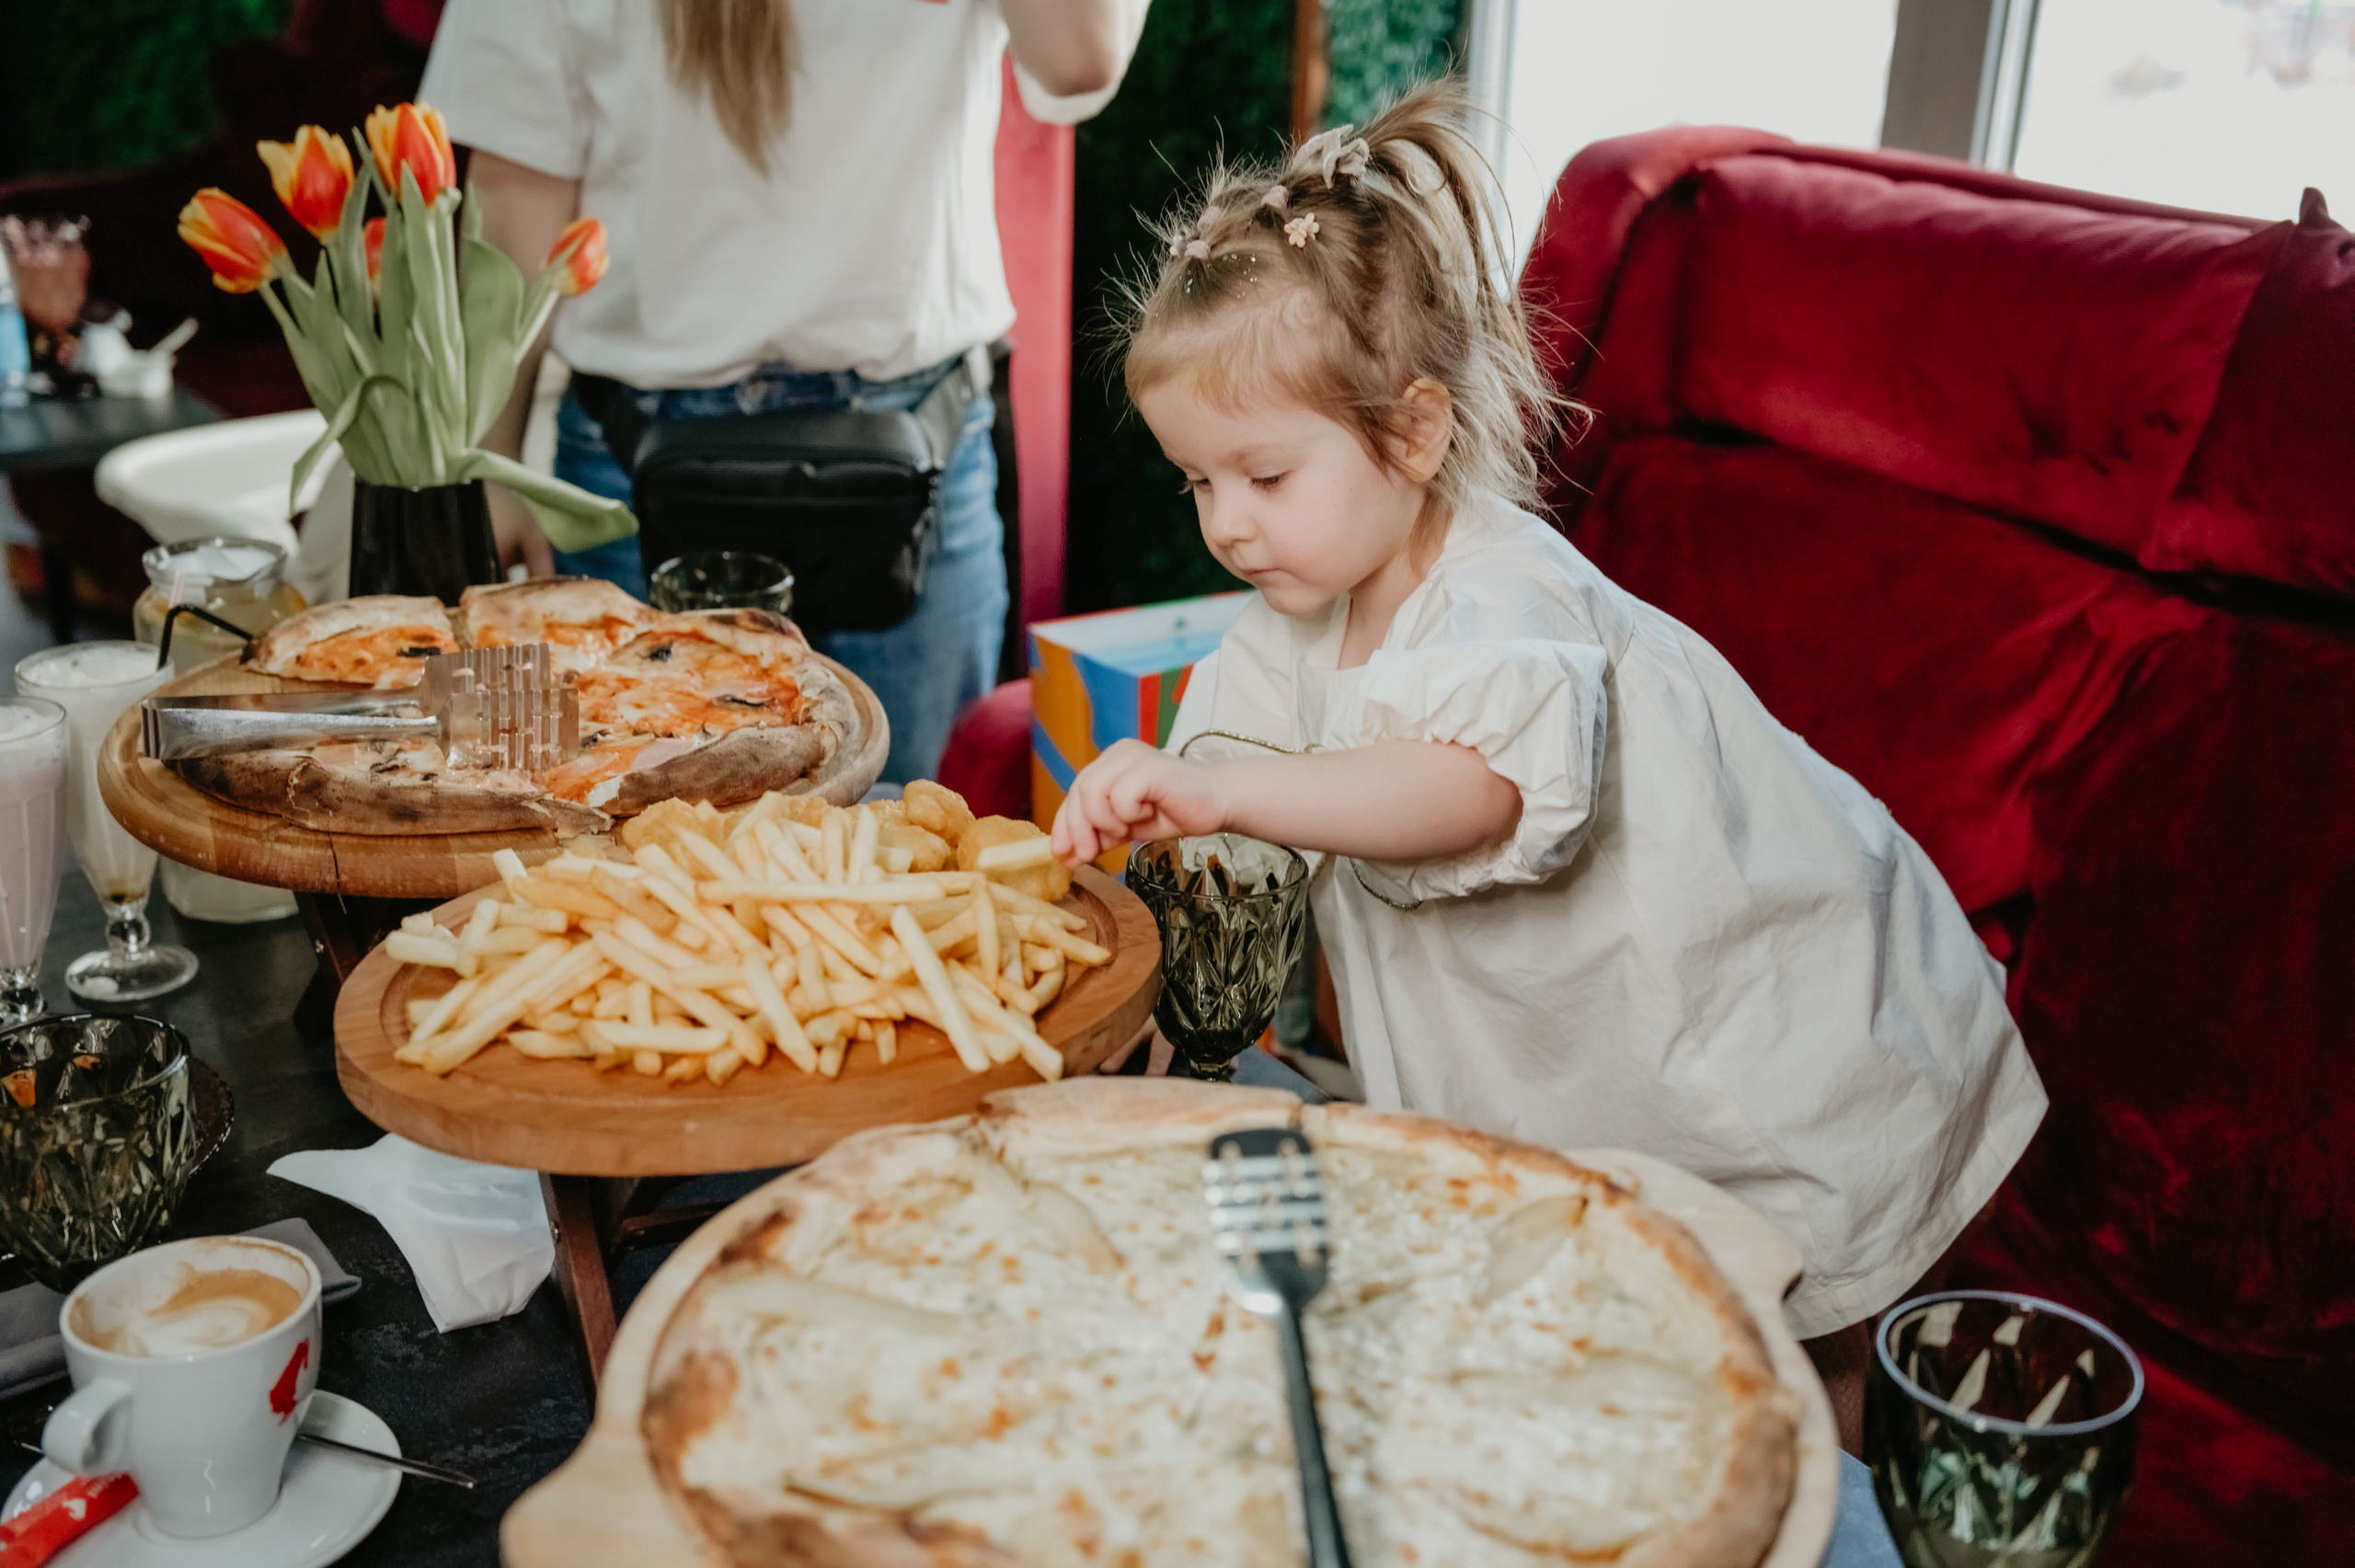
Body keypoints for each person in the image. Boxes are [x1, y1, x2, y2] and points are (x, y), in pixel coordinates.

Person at [1050, 83, 2048, 1450]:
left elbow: (1465, 789)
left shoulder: (1505, 594)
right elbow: (1226, 779)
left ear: (1413, 431)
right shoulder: (1292, 614)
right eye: (1197, 483)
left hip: (1747, 1019)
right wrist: (1154, 808)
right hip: (1561, 1049)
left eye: (1263, 477)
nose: (1227, 524)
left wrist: (1225, 791)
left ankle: (1843, 1495)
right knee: (1628, 1339)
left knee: (1786, 1343)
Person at [419, 0, 1148, 781]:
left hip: (909, 472)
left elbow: (1077, 52)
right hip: (637, 474)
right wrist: (487, 465)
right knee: (627, 861)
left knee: (910, 847)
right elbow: (518, 191)